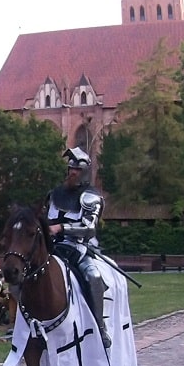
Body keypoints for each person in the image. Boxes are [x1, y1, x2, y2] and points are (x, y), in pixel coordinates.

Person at [46, 146, 111, 348]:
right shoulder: (54, 195)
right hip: (52, 248)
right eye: (70, 169)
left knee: (93, 276)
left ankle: (100, 327)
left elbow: (89, 228)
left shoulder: (90, 197)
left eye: (77, 170)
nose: (72, 173)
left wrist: (61, 228)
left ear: (84, 173)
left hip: (79, 249)